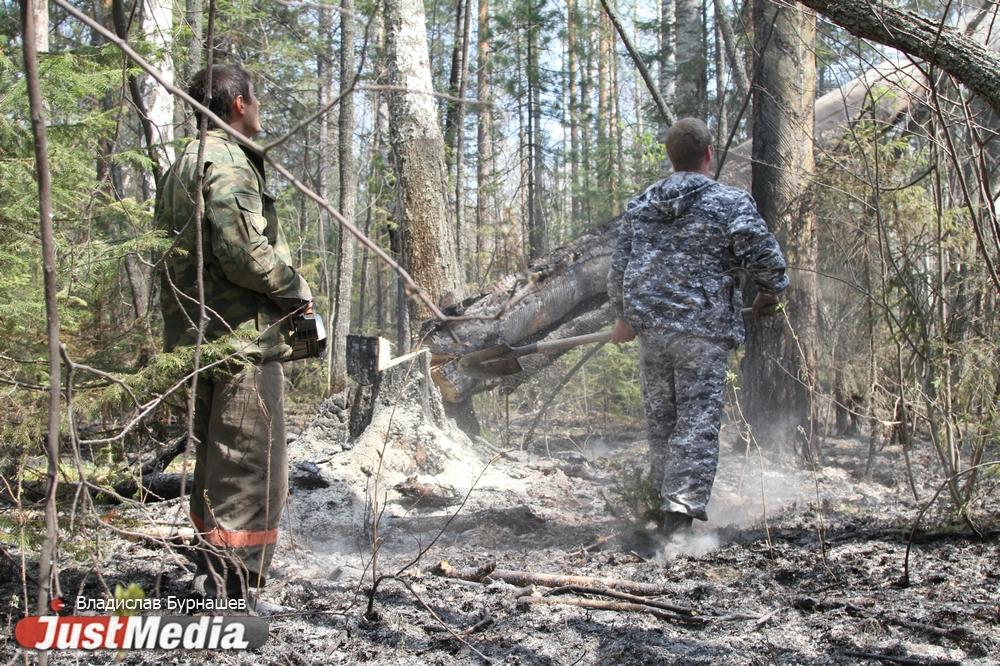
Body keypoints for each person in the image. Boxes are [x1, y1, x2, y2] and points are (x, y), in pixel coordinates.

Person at [155, 65, 315, 600]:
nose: (259, 109)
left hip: (195, 337)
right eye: (257, 99)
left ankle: (212, 573)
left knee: (212, 459)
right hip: (239, 338)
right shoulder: (224, 160)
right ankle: (233, 583)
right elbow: (243, 253)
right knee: (251, 463)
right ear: (240, 103)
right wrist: (296, 290)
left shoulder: (180, 163)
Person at [607, 117, 788, 540]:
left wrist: (624, 316)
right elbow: (766, 258)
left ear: (670, 158)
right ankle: (677, 518)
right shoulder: (729, 203)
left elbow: (619, 269)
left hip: (653, 331)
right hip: (702, 333)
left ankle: (662, 508)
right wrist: (769, 293)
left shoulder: (641, 205)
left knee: (664, 424)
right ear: (708, 155)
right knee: (695, 424)